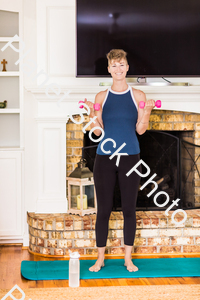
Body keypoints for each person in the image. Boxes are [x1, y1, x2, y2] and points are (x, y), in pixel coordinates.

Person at [84, 49, 155, 272]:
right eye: (114, 65)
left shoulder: (139, 96)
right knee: (103, 210)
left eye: (121, 64)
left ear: (127, 67)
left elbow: (141, 130)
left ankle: (128, 258)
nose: (118, 69)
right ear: (108, 69)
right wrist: (90, 113)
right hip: (105, 158)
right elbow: (96, 133)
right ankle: (100, 258)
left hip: (130, 157)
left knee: (128, 209)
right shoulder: (101, 98)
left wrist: (148, 111)